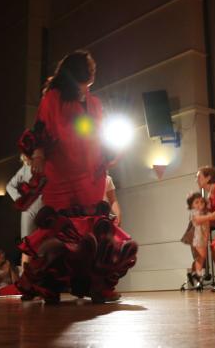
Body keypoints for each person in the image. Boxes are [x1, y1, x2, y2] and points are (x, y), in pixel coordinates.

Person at [16, 50, 137, 303]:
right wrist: (38, 155)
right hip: (59, 173)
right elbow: (41, 127)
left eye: (91, 74)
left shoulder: (94, 103)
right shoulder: (53, 97)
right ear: (76, 75)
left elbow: (100, 135)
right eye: (87, 73)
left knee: (93, 227)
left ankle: (98, 286)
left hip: (89, 174)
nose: (91, 78)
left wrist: (110, 152)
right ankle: (51, 285)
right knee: (60, 229)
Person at [6, 154, 44, 270]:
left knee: (45, 241)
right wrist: (20, 199)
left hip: (45, 206)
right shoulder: (24, 169)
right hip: (29, 209)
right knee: (27, 245)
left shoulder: (45, 165)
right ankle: (25, 277)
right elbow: (9, 186)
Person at [181, 192, 210, 288]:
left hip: (200, 238)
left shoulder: (200, 213)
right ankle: (198, 277)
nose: (200, 205)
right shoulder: (195, 213)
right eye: (196, 202)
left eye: (202, 202)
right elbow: (201, 222)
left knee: (199, 258)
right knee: (201, 258)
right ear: (191, 205)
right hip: (198, 238)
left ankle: (193, 274)